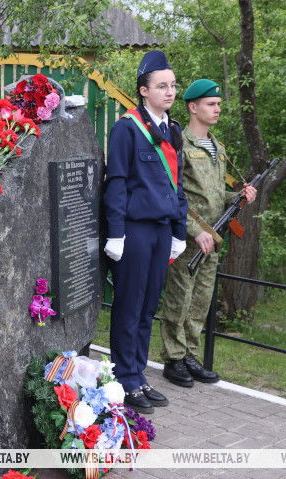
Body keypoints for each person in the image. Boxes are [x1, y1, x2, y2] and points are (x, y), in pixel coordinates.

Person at [102, 50, 188, 414]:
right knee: (129, 305)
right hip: (135, 232)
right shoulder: (127, 128)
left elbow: (178, 186)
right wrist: (116, 232)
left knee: (148, 305)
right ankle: (124, 377)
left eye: (172, 86)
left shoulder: (171, 130)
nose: (169, 92)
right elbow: (117, 183)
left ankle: (138, 373)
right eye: (161, 86)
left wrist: (179, 231)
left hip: (162, 231)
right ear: (143, 90)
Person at [159, 79, 257, 387]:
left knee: (200, 300)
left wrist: (239, 196)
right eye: (210, 104)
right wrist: (192, 230)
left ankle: (190, 356)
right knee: (179, 298)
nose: (217, 109)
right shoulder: (179, 145)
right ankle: (173, 359)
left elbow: (215, 195)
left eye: (217, 105)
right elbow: (172, 194)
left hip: (212, 238)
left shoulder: (219, 148)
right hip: (189, 237)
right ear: (192, 107)